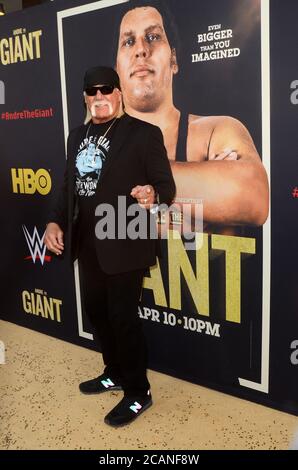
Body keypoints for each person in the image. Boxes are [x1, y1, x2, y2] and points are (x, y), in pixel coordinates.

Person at [44, 66, 176, 427]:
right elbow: (68, 186)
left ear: (119, 94)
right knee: (98, 314)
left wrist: (154, 195)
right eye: (92, 92)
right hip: (87, 242)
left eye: (106, 90)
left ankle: (138, 392)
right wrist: (55, 221)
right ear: (85, 98)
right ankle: (114, 372)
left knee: (122, 319)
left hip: (125, 237)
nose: (99, 97)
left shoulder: (144, 134)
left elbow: (166, 185)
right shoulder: (78, 136)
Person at [115, 0, 269, 230]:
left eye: (153, 37)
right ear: (117, 69)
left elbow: (253, 199)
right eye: (128, 41)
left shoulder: (217, 130)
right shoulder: (97, 142)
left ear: (173, 60)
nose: (140, 50)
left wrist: (125, 169)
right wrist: (205, 193)